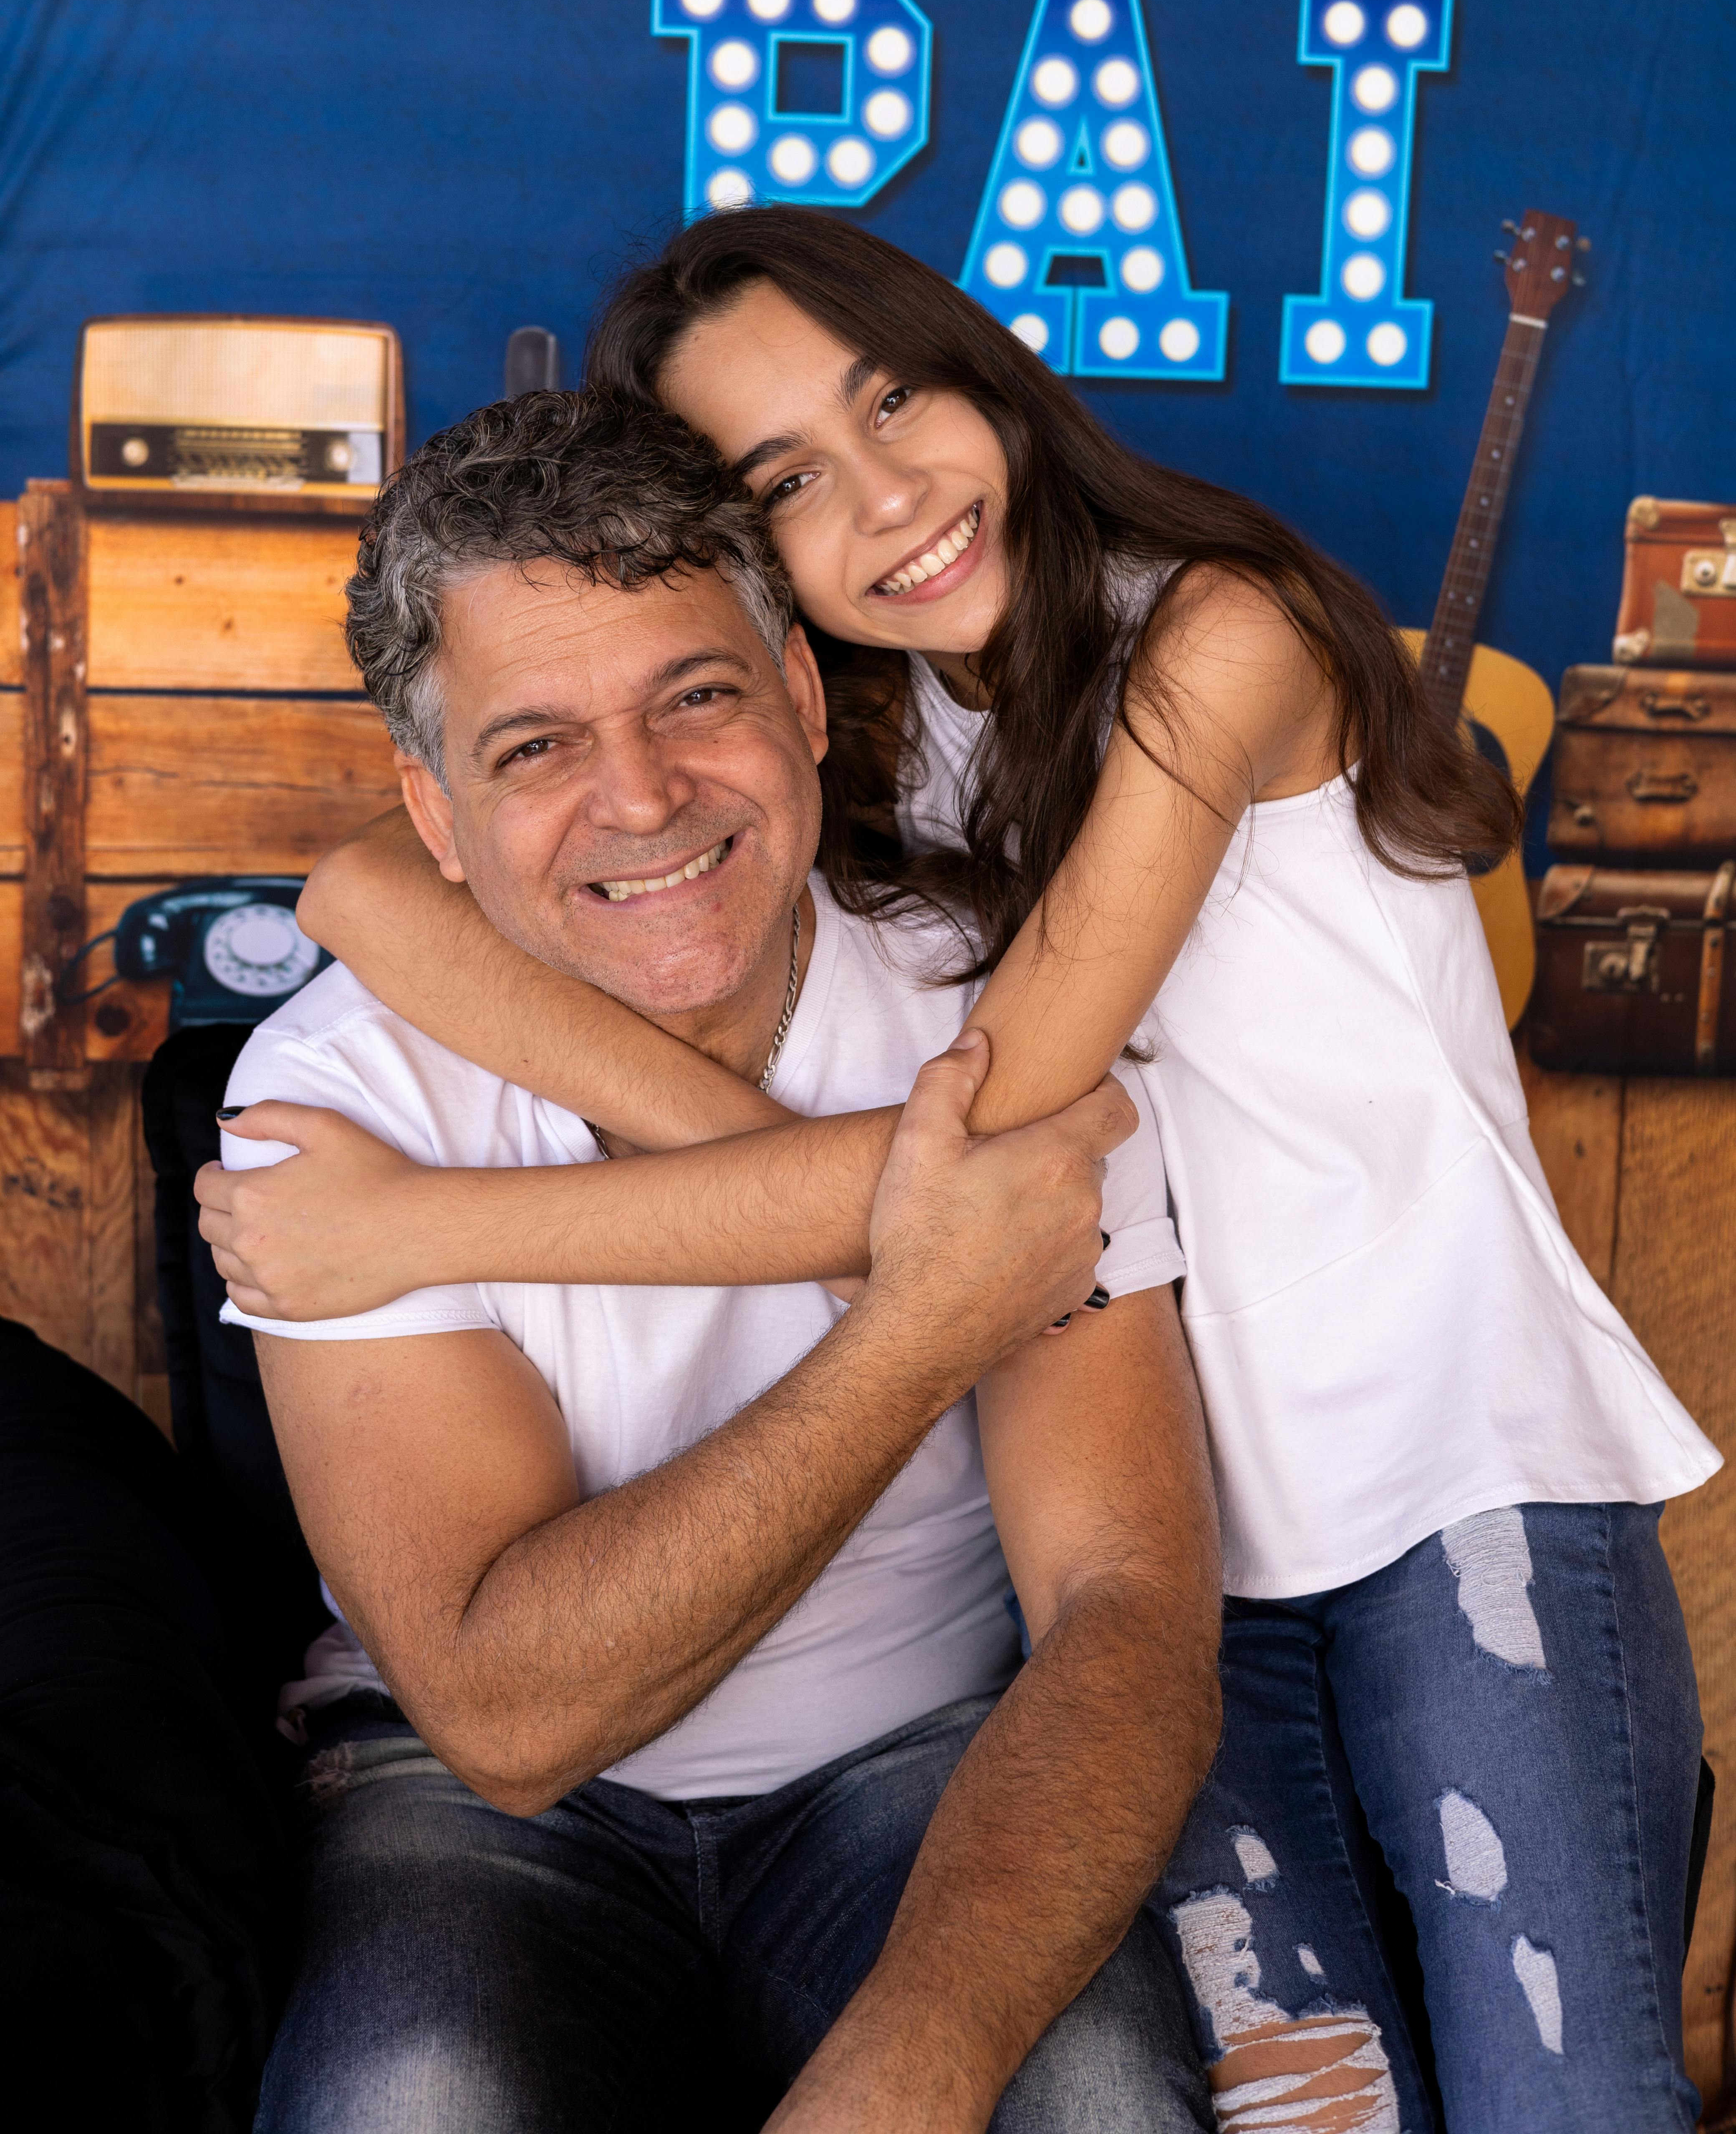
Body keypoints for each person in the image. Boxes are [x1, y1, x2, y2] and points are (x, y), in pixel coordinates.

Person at [205, 210, 1720, 2134]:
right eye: (786, 479)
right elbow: (365, 886)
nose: (886, 491)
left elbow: (992, 1144)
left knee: (1552, 2095)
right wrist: (920, 1267)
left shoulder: (1200, 648)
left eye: (892, 394)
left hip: (1442, 1468)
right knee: (1299, 2103)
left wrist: (425, 1231)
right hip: (1214, 1536)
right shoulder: (915, 746)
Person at [214, 386, 1224, 2134]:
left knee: (1097, 2105)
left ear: (806, 701)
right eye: (531, 746)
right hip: (474, 1804)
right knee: (409, 2102)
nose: (642, 796)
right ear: (433, 813)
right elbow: (508, 1715)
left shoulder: (1001, 1017)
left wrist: (909, 2073)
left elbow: (1124, 1613)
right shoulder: (336, 1095)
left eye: (695, 696)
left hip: (921, 1767)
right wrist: (920, 1326)